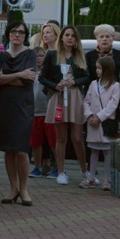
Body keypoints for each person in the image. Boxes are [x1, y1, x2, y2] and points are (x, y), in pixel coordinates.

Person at [40, 25, 90, 186]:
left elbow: (87, 77)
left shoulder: (79, 56)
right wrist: (55, 85)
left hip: (75, 97)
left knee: (77, 137)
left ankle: (84, 170)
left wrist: (75, 82)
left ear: (76, 40)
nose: (70, 38)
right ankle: (61, 172)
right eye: (67, 35)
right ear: (61, 37)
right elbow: (42, 77)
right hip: (59, 97)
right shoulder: (52, 54)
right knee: (61, 137)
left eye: (73, 36)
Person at [0, 21, 36, 206]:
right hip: (5, 105)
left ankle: (24, 188)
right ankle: (13, 188)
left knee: (21, 149)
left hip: (23, 105)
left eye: (21, 32)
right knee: (8, 149)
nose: (17, 35)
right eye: (13, 31)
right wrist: (19, 75)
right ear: (9, 34)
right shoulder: (1, 55)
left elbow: (28, 82)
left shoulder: (30, 54)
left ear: (25, 36)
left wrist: (7, 78)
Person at [81, 57, 120, 191]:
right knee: (93, 151)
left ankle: (108, 180)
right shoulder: (93, 84)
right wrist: (90, 116)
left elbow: (112, 105)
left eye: (99, 68)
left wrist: (99, 117)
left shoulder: (115, 86)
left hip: (105, 123)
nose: (97, 70)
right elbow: (86, 101)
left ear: (107, 69)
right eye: (96, 67)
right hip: (93, 123)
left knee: (108, 152)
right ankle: (91, 177)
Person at [28, 47, 57, 179]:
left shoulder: (49, 73)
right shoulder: (29, 72)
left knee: (54, 141)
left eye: (41, 55)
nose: (39, 58)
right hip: (34, 112)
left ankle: (57, 167)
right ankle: (37, 167)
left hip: (48, 111)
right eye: (36, 55)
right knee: (35, 142)